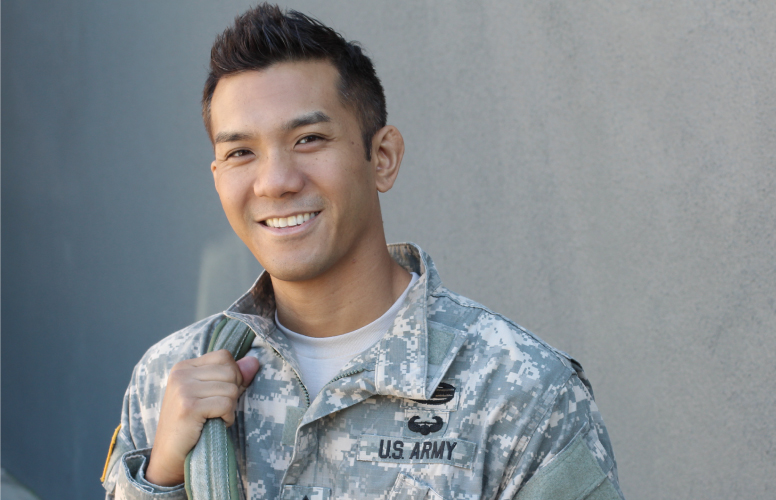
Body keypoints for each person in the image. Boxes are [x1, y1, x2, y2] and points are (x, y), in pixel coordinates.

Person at [101, 4, 624, 499]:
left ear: (383, 158)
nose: (275, 181)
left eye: (308, 139)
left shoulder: (520, 391)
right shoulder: (169, 378)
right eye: (241, 152)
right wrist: (161, 478)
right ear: (218, 179)